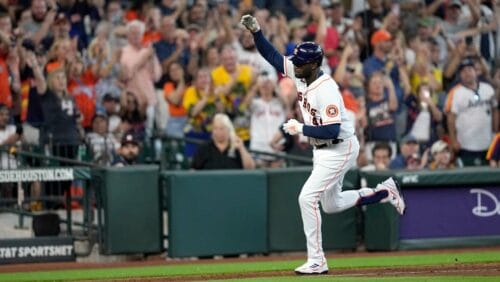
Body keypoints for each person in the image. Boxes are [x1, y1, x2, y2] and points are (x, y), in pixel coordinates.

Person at [241, 14, 405, 275]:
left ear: (315, 64)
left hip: (340, 146)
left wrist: (299, 128)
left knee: (306, 197)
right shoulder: (301, 71)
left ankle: (317, 260)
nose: (295, 65)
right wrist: (257, 33)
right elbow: (272, 56)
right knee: (331, 204)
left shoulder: (326, 87)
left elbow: (332, 129)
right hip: (323, 149)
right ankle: (385, 192)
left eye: (300, 63)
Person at [191, 113, 255, 170]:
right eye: (215, 128)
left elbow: (250, 169)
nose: (218, 132)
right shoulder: (204, 148)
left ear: (229, 130)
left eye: (221, 128)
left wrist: (241, 148)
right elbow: (193, 171)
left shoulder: (237, 148)